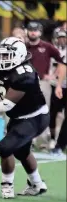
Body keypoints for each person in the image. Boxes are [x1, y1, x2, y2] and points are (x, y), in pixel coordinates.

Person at [0, 37, 49, 199]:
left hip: (35, 117)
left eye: (7, 56)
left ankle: (7, 185)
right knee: (22, 150)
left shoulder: (25, 74)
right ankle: (37, 184)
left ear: (19, 56)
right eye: (2, 55)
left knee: (5, 148)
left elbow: (7, 104)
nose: (3, 59)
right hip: (19, 117)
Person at [26, 21, 66, 149]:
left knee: (44, 111)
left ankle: (46, 140)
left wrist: (53, 76)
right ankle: (30, 140)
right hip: (29, 82)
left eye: (35, 29)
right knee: (28, 111)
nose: (33, 32)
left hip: (47, 83)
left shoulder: (48, 47)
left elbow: (62, 62)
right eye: (31, 29)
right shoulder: (24, 46)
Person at [49, 27, 67, 155]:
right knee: (53, 113)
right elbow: (62, 66)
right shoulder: (58, 50)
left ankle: (59, 145)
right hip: (62, 85)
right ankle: (57, 144)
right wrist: (59, 85)